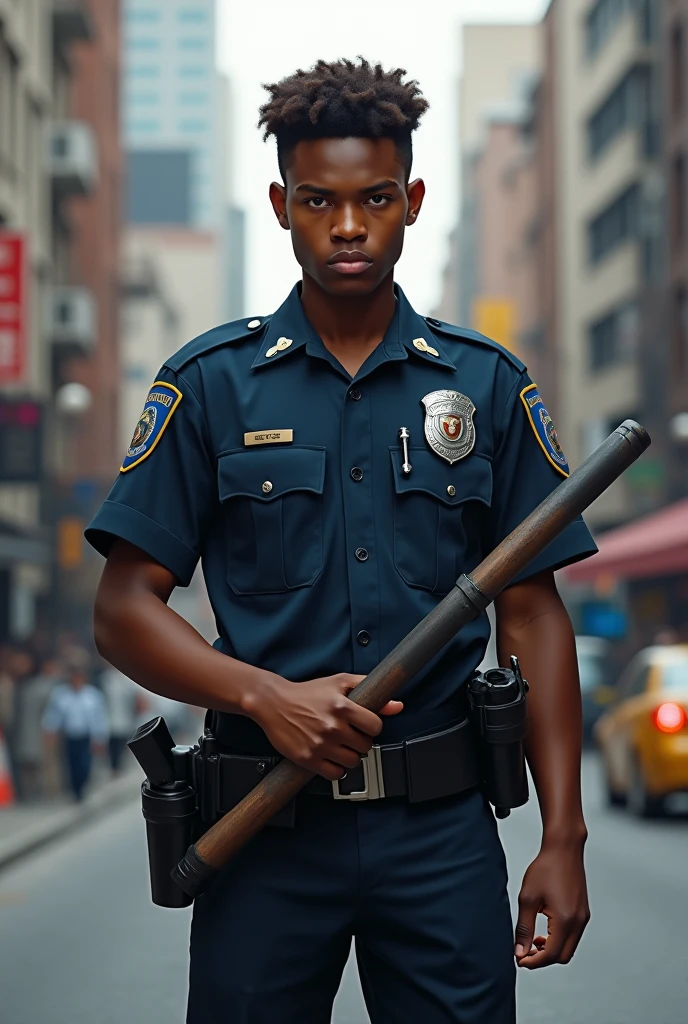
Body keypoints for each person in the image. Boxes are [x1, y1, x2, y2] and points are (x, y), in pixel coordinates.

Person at [87, 59, 598, 1024]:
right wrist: (265, 698)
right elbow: (121, 608)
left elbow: (533, 608)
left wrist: (563, 837)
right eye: (320, 201)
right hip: (263, 826)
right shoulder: (210, 385)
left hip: (441, 832)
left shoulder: (486, 384)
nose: (350, 227)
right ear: (282, 205)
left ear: (411, 200)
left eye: (373, 200)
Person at [42, 648, 109, 801]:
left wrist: (100, 737)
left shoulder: (92, 696)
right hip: (70, 736)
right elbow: (54, 715)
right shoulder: (61, 694)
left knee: (85, 764)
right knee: (71, 764)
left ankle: (83, 785)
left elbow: (99, 718)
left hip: (86, 736)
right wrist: (50, 730)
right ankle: (75, 790)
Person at [13, 653, 62, 801]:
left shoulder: (27, 687)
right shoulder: (45, 687)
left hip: (32, 730)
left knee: (33, 763)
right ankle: (46, 791)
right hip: (42, 731)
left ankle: (33, 792)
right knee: (44, 763)